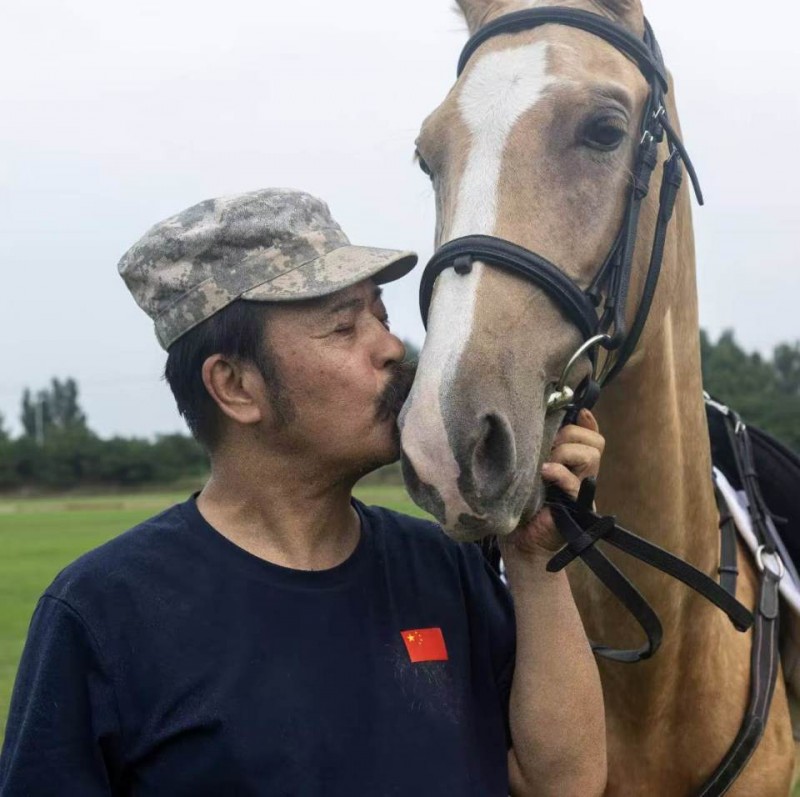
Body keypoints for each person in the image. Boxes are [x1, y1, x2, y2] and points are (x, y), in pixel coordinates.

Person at [0, 189, 606, 796]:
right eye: (343, 327)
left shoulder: (443, 568)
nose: (391, 347)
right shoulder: (105, 611)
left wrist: (533, 559)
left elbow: (563, 786)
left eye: (381, 317)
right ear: (235, 386)